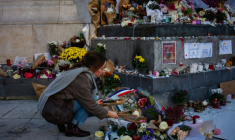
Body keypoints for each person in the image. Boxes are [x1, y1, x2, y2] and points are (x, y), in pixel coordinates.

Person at [38, 51, 119, 137]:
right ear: (93, 67)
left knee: (91, 101)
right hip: (55, 112)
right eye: (102, 68)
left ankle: (63, 124)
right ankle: (72, 128)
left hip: (54, 106)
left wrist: (94, 104)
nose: (103, 71)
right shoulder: (83, 78)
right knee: (91, 101)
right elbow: (90, 105)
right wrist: (109, 113)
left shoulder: (80, 70)